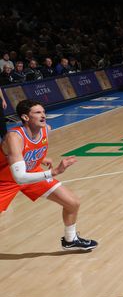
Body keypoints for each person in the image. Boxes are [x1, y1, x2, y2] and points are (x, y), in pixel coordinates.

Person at [0, 100, 97, 250]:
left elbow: (27, 151)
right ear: (25, 117)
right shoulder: (14, 137)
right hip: (5, 180)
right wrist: (54, 172)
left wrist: (41, 158)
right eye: (38, 113)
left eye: (44, 112)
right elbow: (19, 177)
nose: (44, 115)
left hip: (32, 173)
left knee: (72, 203)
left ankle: (70, 240)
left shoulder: (46, 129)